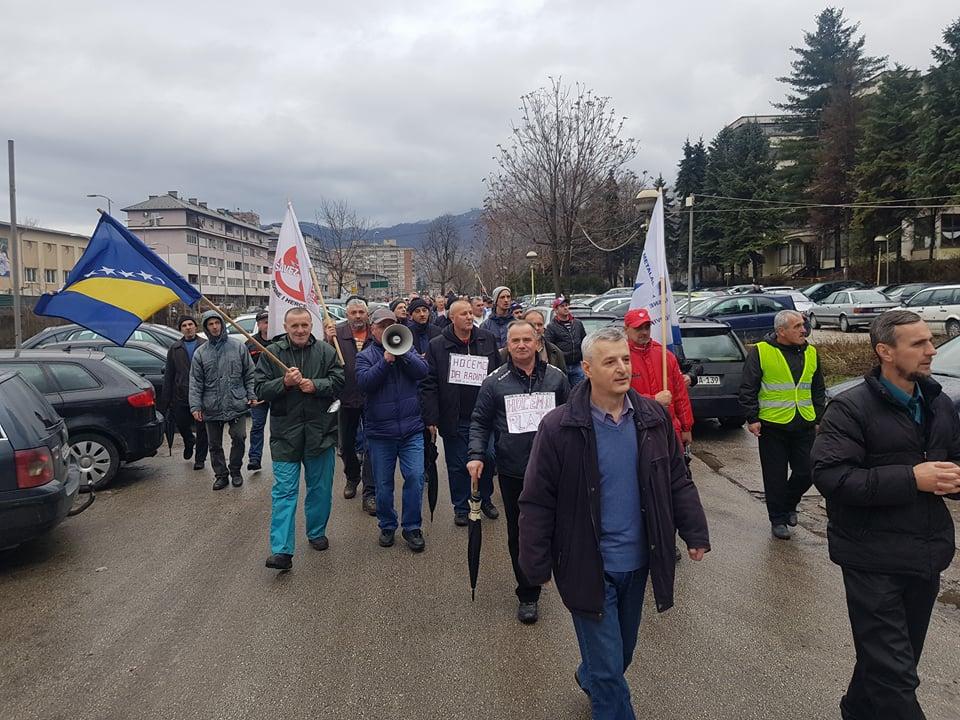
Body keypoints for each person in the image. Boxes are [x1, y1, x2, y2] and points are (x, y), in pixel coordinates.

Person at [519, 326, 710, 719]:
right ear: (587, 369)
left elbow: (676, 478)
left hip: (639, 560)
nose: (623, 368)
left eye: (625, 359)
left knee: (620, 653)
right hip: (587, 564)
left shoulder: (653, 417)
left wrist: (694, 531)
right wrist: (534, 563)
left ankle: (588, 673)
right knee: (610, 673)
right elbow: (537, 501)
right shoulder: (559, 428)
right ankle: (602, 685)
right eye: (611, 361)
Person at [813, 310, 960, 720]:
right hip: (870, 558)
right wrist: (912, 479)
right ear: (885, 352)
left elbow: (953, 464)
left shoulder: (939, 404)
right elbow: (832, 477)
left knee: (892, 662)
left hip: (925, 556)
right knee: (895, 675)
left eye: (930, 341)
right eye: (918, 344)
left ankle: (856, 711)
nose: (932, 350)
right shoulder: (849, 408)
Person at [469, 320, 569, 624]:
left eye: (528, 339)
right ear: (507, 346)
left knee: (557, 527)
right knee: (521, 532)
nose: (522, 345)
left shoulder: (557, 379)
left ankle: (556, 572)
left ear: (538, 343)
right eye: (516, 341)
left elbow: (574, 416)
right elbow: (480, 422)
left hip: (553, 469)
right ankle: (528, 593)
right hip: (514, 471)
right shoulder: (494, 382)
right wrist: (476, 455)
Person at [256, 307, 345, 571]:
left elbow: (340, 381)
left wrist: (316, 385)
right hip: (286, 435)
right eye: (294, 325)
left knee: (320, 489)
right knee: (284, 492)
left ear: (311, 326)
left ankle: (316, 531)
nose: (299, 330)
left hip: (320, 433)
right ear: (285, 326)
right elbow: (259, 389)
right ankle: (282, 550)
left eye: (304, 325)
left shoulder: (326, 352)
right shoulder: (272, 353)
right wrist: (283, 383)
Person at [738, 309, 825, 539]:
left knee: (807, 472)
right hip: (772, 426)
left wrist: (818, 417)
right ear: (781, 331)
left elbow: (818, 388)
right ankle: (778, 519)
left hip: (804, 424)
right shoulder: (761, 351)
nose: (803, 330)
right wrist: (752, 418)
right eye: (797, 326)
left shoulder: (812, 353)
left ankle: (789, 502)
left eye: (803, 325)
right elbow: (748, 387)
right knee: (774, 477)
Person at [421, 299, 502, 525]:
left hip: (484, 416)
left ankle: (484, 498)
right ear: (452, 318)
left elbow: (498, 373)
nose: (469, 317)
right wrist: (431, 417)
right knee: (457, 464)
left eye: (470, 313)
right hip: (454, 416)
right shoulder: (437, 345)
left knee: (488, 457)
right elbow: (429, 384)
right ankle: (460, 505)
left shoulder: (487, 339)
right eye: (463, 313)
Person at [356, 308, 430, 552]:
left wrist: (404, 355)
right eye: (381, 326)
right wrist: (386, 361)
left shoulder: (408, 349)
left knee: (416, 477)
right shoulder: (365, 356)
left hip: (411, 431)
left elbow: (423, 372)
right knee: (383, 484)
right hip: (380, 434)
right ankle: (387, 525)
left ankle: (412, 527)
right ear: (373, 329)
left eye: (391, 325)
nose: (386, 329)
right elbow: (365, 384)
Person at [189, 310, 256, 490]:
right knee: (214, 444)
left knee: (239, 437)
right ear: (206, 327)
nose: (214, 327)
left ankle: (235, 470)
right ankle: (221, 475)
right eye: (210, 324)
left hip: (236, 402)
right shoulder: (200, 353)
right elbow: (195, 381)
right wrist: (195, 405)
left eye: (217, 323)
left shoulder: (238, 347)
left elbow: (250, 373)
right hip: (211, 404)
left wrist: (251, 394)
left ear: (222, 324)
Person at [327, 297, 376, 514]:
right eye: (353, 312)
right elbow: (326, 361)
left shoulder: (375, 333)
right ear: (347, 315)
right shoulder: (336, 334)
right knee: (346, 445)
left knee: (371, 446)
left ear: (367, 315)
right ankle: (352, 477)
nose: (358, 316)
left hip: (372, 397)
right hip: (345, 398)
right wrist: (327, 341)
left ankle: (370, 491)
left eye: (361, 312)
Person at [622, 308, 694, 448]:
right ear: (626, 329)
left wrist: (686, 427)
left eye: (647, 327)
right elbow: (619, 398)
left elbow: (680, 395)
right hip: (637, 432)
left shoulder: (666, 355)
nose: (644, 332)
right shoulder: (621, 358)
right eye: (638, 328)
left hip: (669, 430)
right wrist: (654, 400)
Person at [159, 316, 207, 471]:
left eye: (190, 324)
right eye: (184, 325)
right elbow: (169, 375)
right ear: (181, 329)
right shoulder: (175, 348)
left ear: (196, 327)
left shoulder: (205, 345)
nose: (188, 327)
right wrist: (166, 400)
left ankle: (200, 458)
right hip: (181, 394)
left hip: (202, 394)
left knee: (202, 429)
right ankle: (188, 441)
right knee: (182, 424)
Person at [245, 311, 272, 471]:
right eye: (263, 322)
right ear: (259, 324)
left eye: (269, 321)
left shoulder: (281, 341)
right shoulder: (250, 344)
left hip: (277, 391)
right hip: (258, 394)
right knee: (257, 426)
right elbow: (245, 371)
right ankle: (254, 458)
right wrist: (249, 393)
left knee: (279, 428)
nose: (266, 325)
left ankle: (280, 456)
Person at [500, 308, 565, 371]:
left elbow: (561, 379)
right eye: (532, 325)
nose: (537, 328)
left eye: (540, 325)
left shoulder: (555, 352)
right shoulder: (505, 354)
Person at [544, 296, 587, 387]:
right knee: (564, 391)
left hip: (576, 365)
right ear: (556, 310)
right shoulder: (551, 327)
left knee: (579, 390)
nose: (566, 308)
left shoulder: (577, 323)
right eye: (562, 306)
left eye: (567, 305)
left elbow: (584, 341)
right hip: (562, 366)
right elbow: (549, 346)